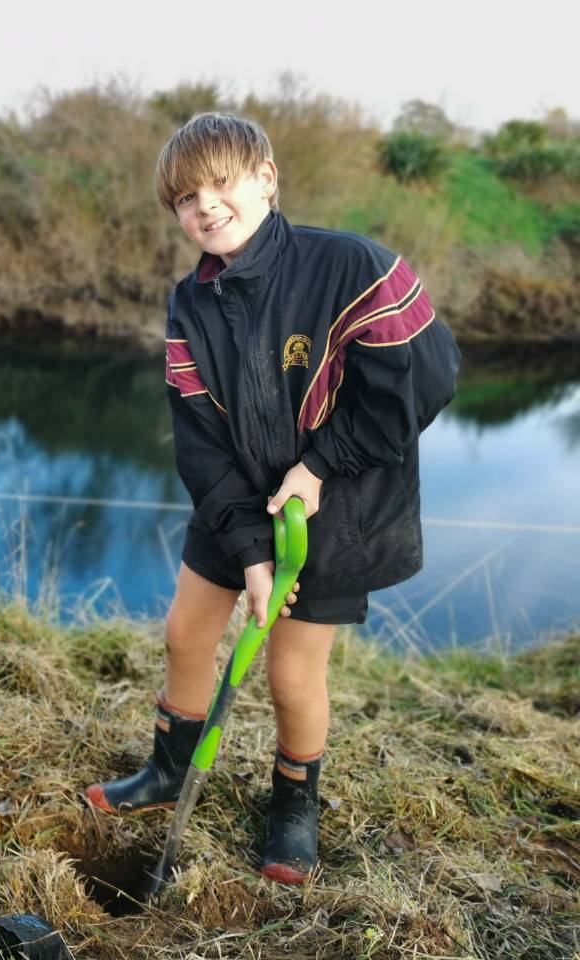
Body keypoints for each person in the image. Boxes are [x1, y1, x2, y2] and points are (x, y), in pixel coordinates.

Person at [83, 113, 460, 885]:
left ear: (266, 178)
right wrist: (250, 551)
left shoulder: (353, 266)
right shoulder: (190, 303)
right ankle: (168, 771)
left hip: (336, 510)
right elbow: (199, 441)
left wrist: (320, 466)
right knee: (186, 633)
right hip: (235, 500)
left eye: (220, 183)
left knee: (291, 674)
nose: (205, 206)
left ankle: (293, 806)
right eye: (185, 198)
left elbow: (427, 377)